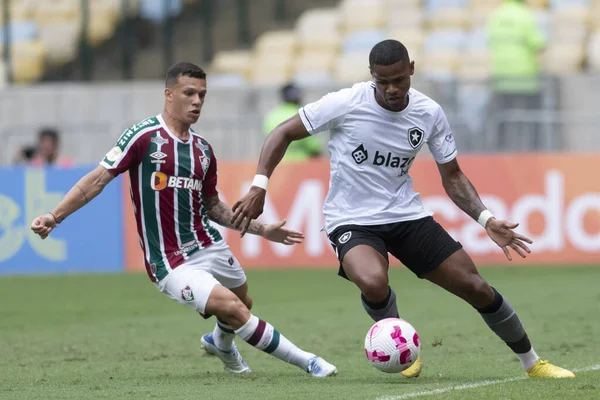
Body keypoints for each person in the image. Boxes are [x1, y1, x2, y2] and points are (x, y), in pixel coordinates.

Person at [231, 40, 574, 379]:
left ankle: (533, 363)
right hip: (351, 218)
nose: (392, 89)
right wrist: (259, 186)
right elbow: (282, 132)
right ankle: (399, 346)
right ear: (371, 76)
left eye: (399, 80)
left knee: (476, 287)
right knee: (373, 281)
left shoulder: (429, 113)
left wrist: (485, 218)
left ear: (411, 69)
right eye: (383, 82)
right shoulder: (346, 103)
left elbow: (452, 177)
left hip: (406, 215)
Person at [30, 62, 337, 378]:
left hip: (207, 243)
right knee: (233, 308)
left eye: (202, 95)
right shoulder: (143, 137)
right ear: (168, 94)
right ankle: (308, 361)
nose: (197, 101)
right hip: (170, 261)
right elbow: (96, 180)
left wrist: (261, 229)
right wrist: (55, 216)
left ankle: (220, 343)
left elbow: (213, 207)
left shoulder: (203, 150)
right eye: (189, 93)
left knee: (244, 299)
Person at [487, 0, 546, 150]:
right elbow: (538, 43)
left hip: (501, 77)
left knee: (503, 119)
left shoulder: (496, 15)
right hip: (525, 78)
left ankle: (501, 151)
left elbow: (490, 42)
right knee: (532, 119)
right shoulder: (525, 15)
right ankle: (533, 150)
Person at [263, 83, 322, 161]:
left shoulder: (271, 116)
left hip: (278, 165)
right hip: (301, 164)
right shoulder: (302, 115)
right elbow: (313, 146)